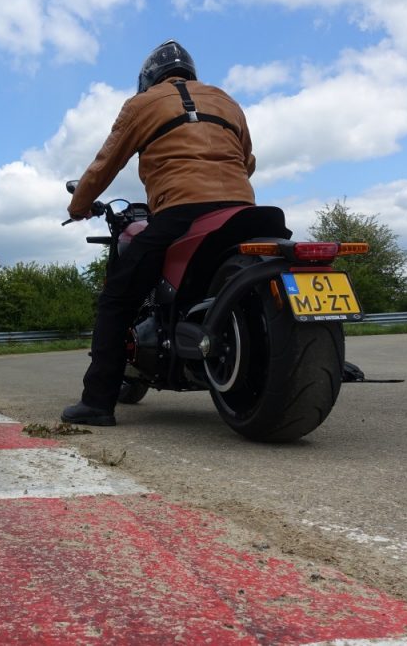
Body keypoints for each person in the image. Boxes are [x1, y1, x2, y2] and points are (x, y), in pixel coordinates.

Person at [62, 39, 259, 427]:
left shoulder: (143, 104)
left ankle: (98, 403)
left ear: (148, 78)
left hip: (181, 212)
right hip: (243, 210)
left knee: (116, 299)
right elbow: (247, 159)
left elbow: (106, 163)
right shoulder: (226, 100)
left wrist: (79, 205)